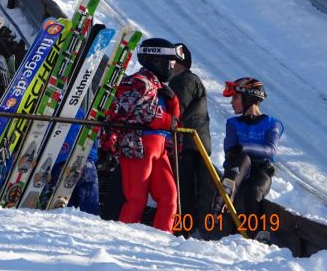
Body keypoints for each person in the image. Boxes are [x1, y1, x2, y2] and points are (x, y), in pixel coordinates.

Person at [100, 38, 181, 232]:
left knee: (169, 198)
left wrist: (174, 105)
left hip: (159, 148)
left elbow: (174, 123)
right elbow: (121, 112)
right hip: (138, 147)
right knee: (136, 199)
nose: (171, 68)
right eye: (169, 63)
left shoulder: (161, 88)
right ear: (156, 60)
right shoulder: (137, 82)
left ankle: (162, 239)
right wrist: (164, 119)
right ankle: (124, 238)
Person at [216, 78, 283, 237]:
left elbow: (270, 150)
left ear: (249, 98)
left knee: (253, 192)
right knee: (242, 165)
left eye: (235, 98)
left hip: (260, 172)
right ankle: (224, 194)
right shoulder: (232, 123)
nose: (232, 102)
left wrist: (243, 147)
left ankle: (257, 236)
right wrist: (238, 152)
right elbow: (229, 152)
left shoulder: (272, 123)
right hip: (238, 170)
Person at [169, 43, 212, 236]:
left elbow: (176, 111)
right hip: (195, 141)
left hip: (187, 142)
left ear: (178, 62)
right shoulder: (189, 79)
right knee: (191, 186)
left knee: (184, 186)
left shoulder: (183, 81)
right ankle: (190, 226)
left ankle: (185, 228)